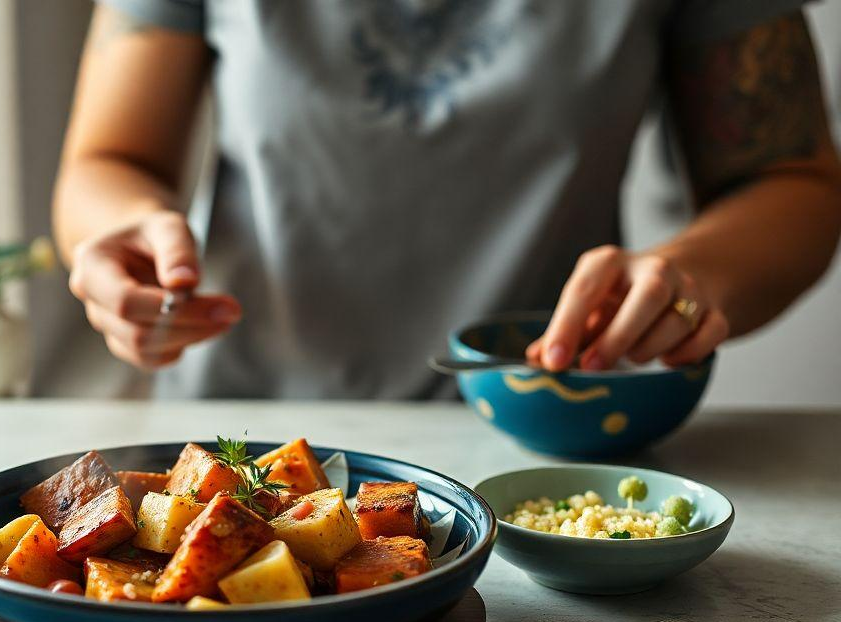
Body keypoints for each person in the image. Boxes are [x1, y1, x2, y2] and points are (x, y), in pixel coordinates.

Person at [53, 0, 841, 399]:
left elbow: (791, 181)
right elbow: (106, 162)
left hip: (549, 439)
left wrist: (690, 276)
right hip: (243, 431)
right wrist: (126, 237)